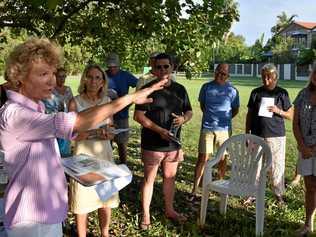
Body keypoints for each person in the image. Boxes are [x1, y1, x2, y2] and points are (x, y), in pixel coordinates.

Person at [0, 37, 166, 237]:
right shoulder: (16, 114)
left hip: (45, 212)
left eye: (53, 73)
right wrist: (131, 98)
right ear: (19, 77)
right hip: (31, 218)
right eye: (43, 73)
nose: (52, 80)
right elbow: (75, 122)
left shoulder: (36, 107)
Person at [134, 53, 193, 229]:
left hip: (173, 144)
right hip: (153, 144)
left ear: (172, 67)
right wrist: (159, 130)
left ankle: (169, 210)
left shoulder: (180, 89)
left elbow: (189, 111)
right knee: (149, 179)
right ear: (153, 69)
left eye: (166, 66)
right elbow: (138, 116)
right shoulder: (147, 89)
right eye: (158, 67)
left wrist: (184, 119)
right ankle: (146, 216)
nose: (162, 70)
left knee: (170, 177)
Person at [68, 64, 118, 237]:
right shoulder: (75, 102)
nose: (94, 81)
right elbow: (73, 134)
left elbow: (111, 131)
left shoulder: (107, 102)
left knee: (106, 198)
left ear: (103, 81)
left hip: (104, 154)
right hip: (83, 157)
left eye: (98, 77)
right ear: (84, 79)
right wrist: (96, 132)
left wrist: (108, 133)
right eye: (90, 77)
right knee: (82, 199)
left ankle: (105, 233)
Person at [245, 63, 293, 204]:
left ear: (275, 78)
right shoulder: (256, 92)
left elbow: (290, 115)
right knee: (255, 165)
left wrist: (278, 111)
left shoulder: (282, 93)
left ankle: (278, 194)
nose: (266, 81)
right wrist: (247, 133)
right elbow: (249, 115)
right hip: (256, 135)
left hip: (276, 135)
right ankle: (252, 194)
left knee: (276, 166)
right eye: (264, 77)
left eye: (269, 77)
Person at [190, 63, 239, 199]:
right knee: (202, 159)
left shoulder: (233, 91)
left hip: (224, 130)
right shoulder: (206, 87)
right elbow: (203, 105)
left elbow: (235, 110)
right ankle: (194, 189)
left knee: (223, 159)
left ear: (228, 76)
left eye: (223, 73)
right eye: (218, 72)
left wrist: (225, 119)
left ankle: (221, 186)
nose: (219, 75)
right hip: (207, 128)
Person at [293, 64, 316, 236]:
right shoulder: (303, 94)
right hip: (305, 149)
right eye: (315, 72)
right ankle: (308, 224)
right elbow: (295, 123)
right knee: (310, 188)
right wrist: (302, 146)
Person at [106, 53, 138, 164]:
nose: (112, 69)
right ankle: (108, 165)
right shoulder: (103, 75)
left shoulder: (125, 75)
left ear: (119, 66)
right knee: (106, 142)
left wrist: (130, 101)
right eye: (110, 67)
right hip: (105, 115)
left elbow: (139, 85)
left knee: (122, 143)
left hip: (122, 115)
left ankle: (124, 166)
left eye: (114, 67)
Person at [42, 67, 73, 157]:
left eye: (64, 76)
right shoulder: (50, 90)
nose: (62, 79)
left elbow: (72, 104)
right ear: (54, 76)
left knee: (65, 151)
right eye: (59, 76)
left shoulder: (68, 89)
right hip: (53, 123)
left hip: (67, 123)